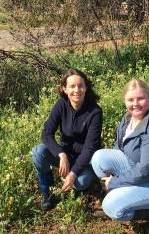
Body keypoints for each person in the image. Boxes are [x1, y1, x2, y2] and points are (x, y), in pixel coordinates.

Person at [91, 79, 149, 233]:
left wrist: (114, 183)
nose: (136, 104)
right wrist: (117, 181)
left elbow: (146, 170)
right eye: (130, 100)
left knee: (112, 207)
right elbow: (119, 148)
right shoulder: (128, 118)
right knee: (99, 158)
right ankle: (126, 197)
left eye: (141, 99)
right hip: (140, 172)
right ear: (124, 101)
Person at [32, 69, 103, 211]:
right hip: (66, 154)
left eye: (81, 85)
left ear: (86, 87)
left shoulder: (95, 111)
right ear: (64, 89)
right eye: (72, 86)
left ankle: (80, 179)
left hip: (86, 159)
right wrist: (61, 154)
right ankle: (47, 193)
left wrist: (73, 173)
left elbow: (90, 148)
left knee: (80, 183)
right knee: (38, 152)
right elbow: (46, 134)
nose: (77, 90)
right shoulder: (61, 104)